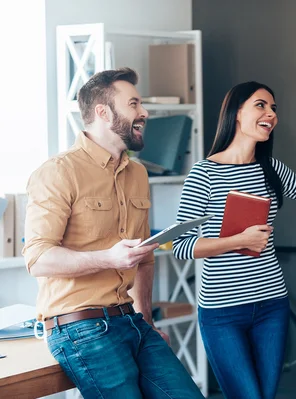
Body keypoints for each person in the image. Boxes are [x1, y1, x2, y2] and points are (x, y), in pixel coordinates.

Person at [23, 67, 205, 399]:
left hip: (131, 320)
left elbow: (145, 259)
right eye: (134, 103)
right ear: (103, 112)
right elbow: (37, 258)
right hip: (80, 327)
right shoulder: (58, 172)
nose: (144, 112)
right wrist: (109, 258)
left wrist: (146, 322)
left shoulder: (137, 173)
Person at [172, 81, 296, 399]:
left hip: (271, 305)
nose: (271, 114)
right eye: (261, 105)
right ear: (237, 112)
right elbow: (181, 245)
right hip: (222, 312)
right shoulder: (205, 173)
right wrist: (239, 240)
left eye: (274, 108)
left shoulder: (271, 169)